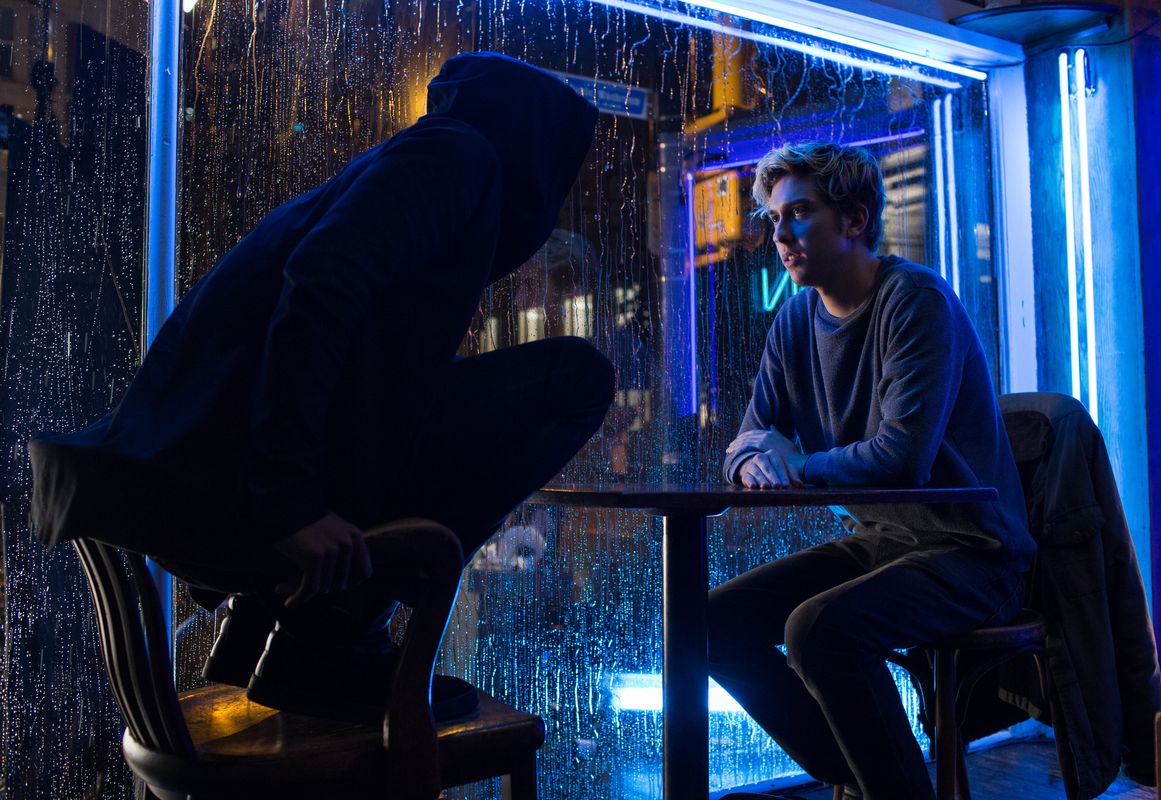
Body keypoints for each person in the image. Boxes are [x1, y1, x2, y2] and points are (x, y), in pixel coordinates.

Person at [28, 52, 613, 723]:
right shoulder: (459, 158)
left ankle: (285, 622)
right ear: (535, 149)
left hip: (200, 467)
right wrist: (289, 501)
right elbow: (322, 287)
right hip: (235, 489)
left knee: (433, 390)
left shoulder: (425, 156)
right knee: (577, 379)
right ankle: (330, 634)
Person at [709, 142, 1035, 800]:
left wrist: (797, 461)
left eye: (798, 213)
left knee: (817, 629)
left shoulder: (915, 303)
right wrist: (755, 460)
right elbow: (745, 437)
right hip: (885, 543)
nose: (779, 234)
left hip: (973, 550)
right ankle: (861, 780)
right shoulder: (794, 321)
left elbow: (902, 457)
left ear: (854, 220)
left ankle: (888, 788)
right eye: (773, 219)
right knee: (711, 622)